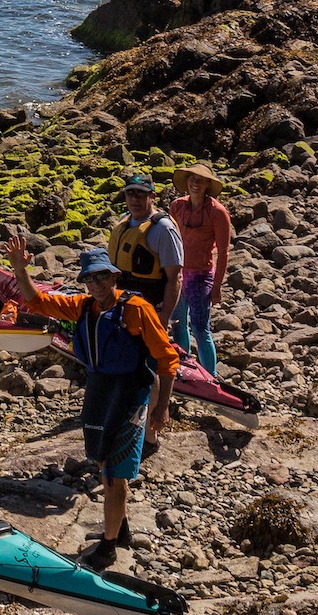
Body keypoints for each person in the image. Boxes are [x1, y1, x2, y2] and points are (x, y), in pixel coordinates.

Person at [7, 237, 178, 569]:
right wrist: (19, 268)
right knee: (100, 456)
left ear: (114, 277)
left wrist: (161, 407)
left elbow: (166, 359)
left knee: (115, 471)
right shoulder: (84, 307)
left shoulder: (136, 310)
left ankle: (109, 546)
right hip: (100, 388)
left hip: (129, 390)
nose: (96, 283)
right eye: (90, 278)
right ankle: (121, 526)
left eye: (102, 276)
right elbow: (36, 301)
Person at [109, 174, 183, 452]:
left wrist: (163, 319)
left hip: (152, 313)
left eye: (141, 194)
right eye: (131, 194)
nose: (135, 200)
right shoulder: (123, 225)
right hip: (123, 312)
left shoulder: (162, 229)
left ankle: (150, 437)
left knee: (150, 374)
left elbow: (175, 277)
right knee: (125, 371)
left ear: (153, 196)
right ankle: (128, 425)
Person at [167, 163, 232, 373]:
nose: (195, 183)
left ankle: (210, 377)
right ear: (186, 183)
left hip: (201, 276)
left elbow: (223, 252)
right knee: (178, 323)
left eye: (200, 180)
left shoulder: (217, 212)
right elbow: (169, 241)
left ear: (207, 185)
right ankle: (182, 367)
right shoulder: (177, 206)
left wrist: (217, 287)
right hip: (177, 273)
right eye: (192, 179)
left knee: (200, 328)